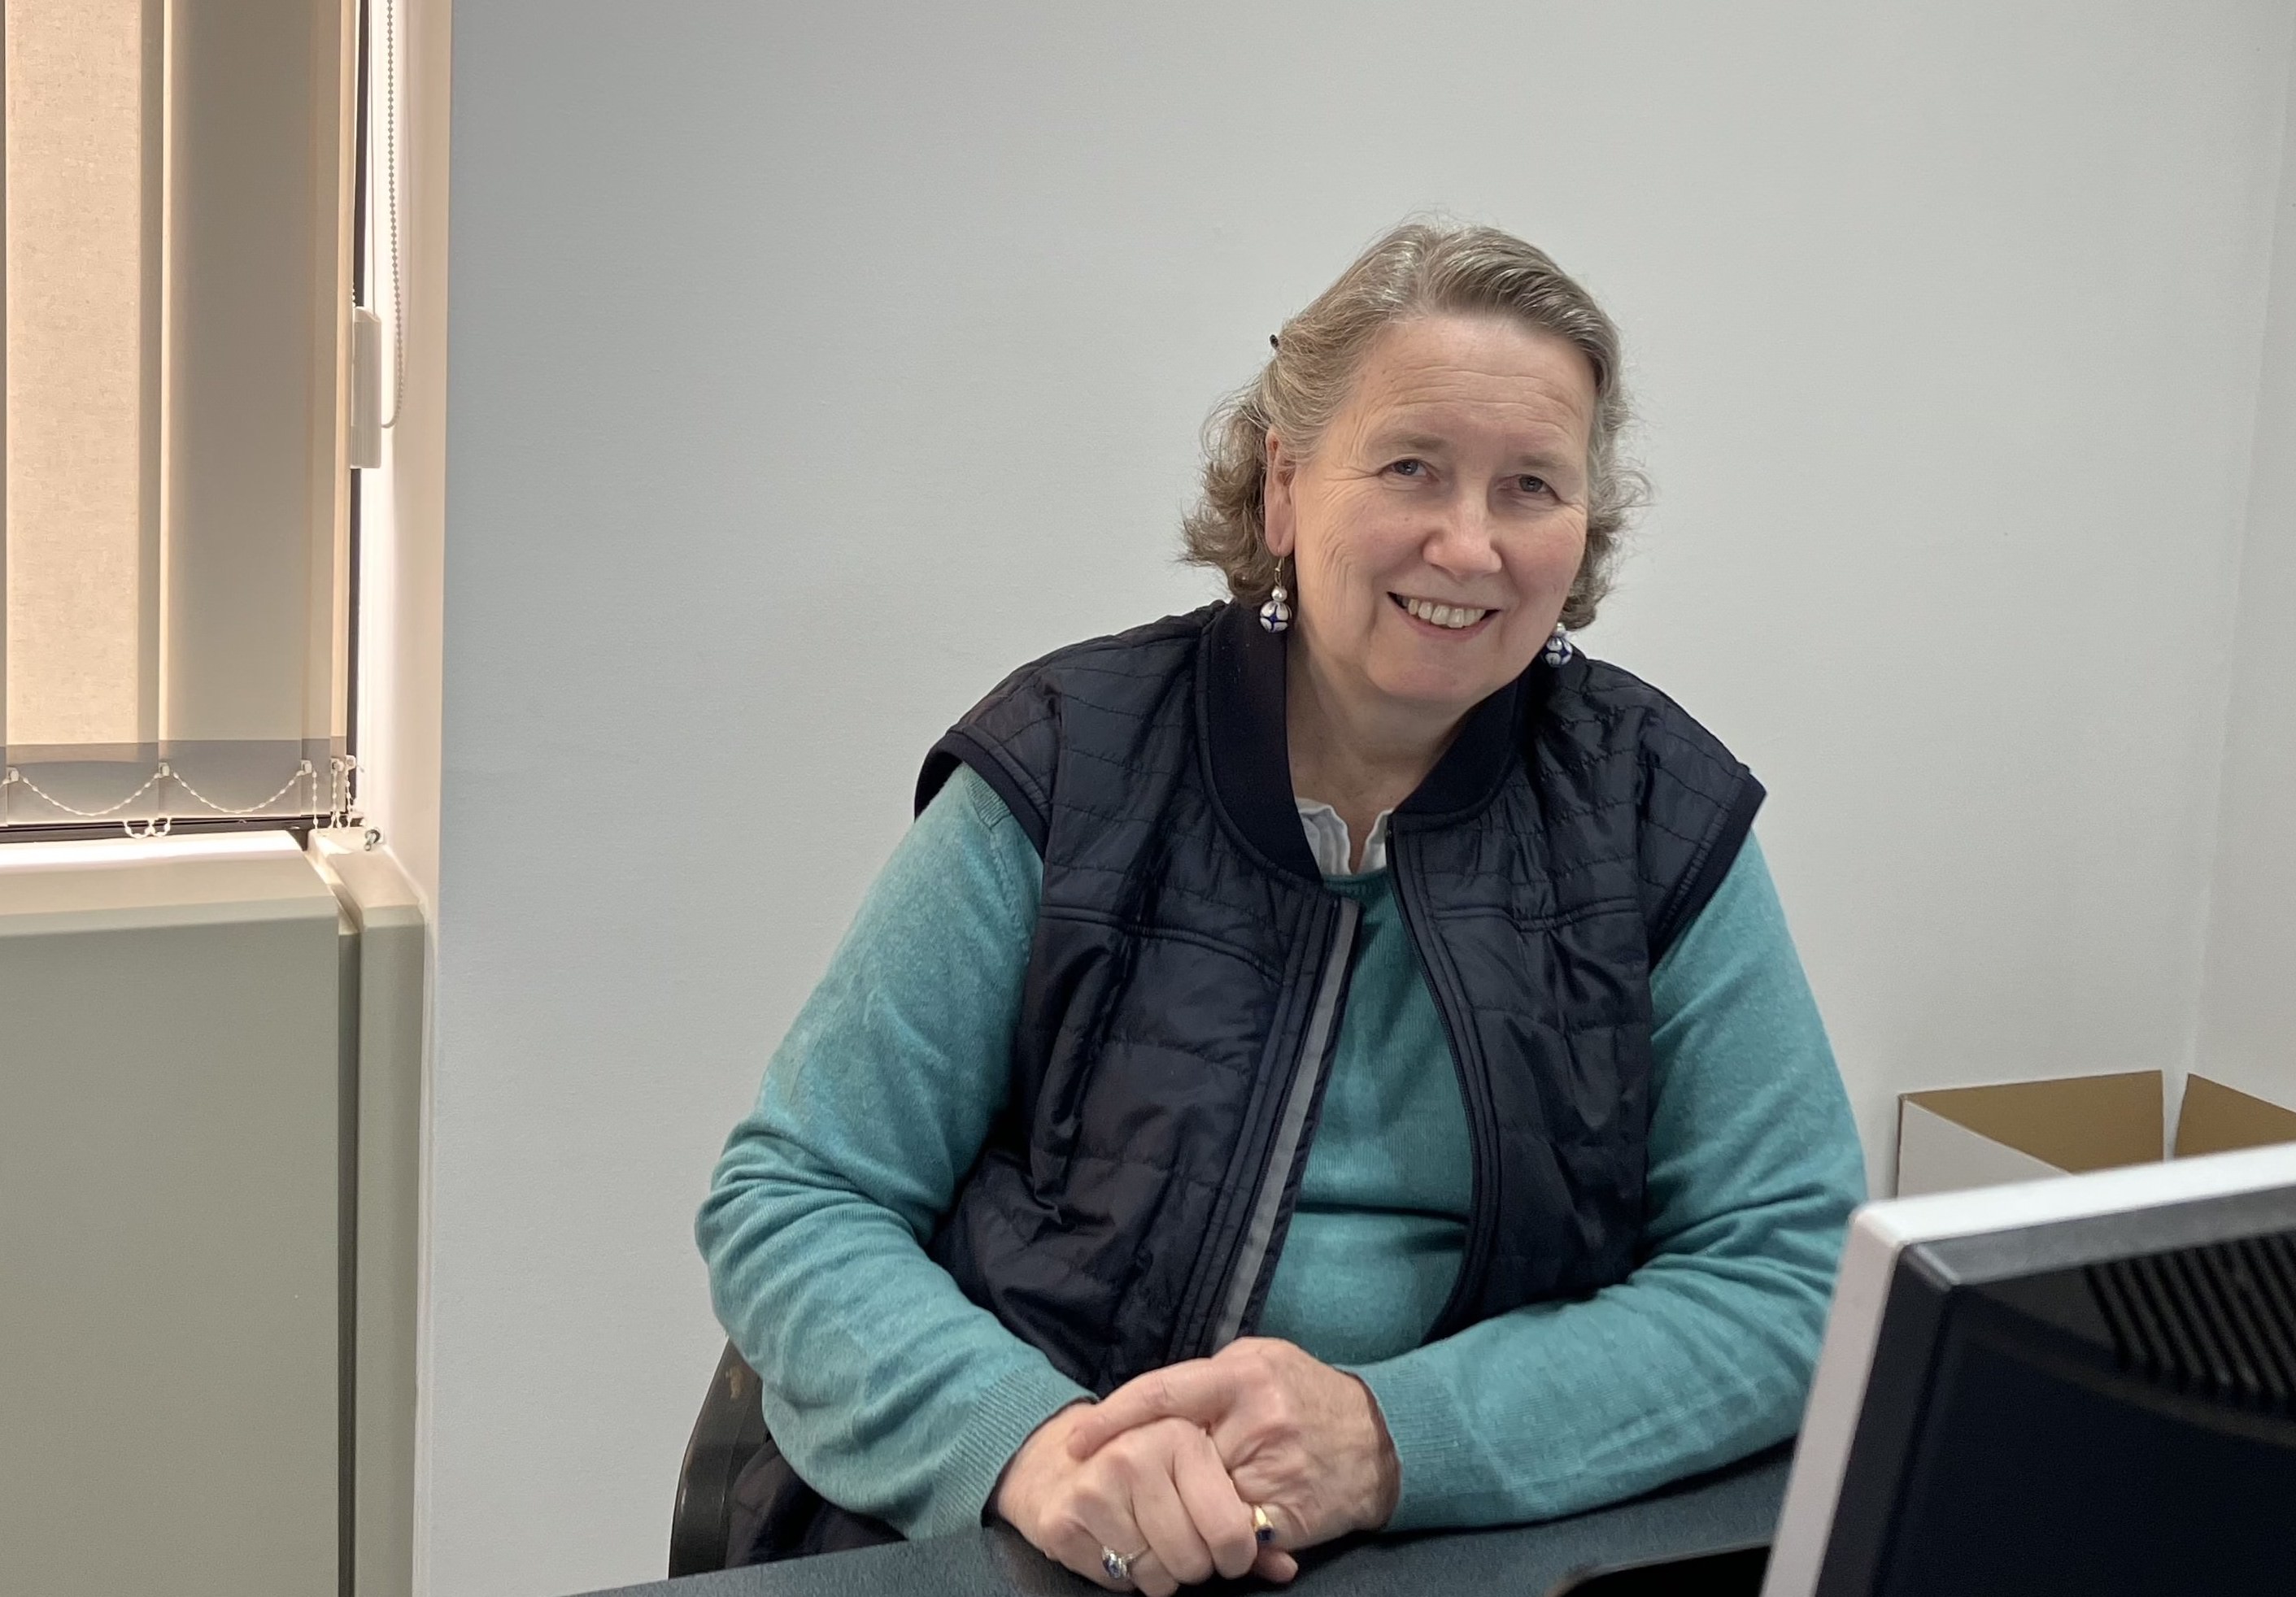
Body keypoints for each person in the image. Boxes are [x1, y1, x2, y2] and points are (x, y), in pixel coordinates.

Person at [696, 221, 1865, 1593]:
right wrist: (1036, 1450)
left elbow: (1793, 1273)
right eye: (1410, 466)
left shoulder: (1652, 811)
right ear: (1282, 487)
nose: (1468, 543)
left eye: (1530, 486)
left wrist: (1390, 1439)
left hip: (1475, 1551)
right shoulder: (1068, 763)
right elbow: (798, 1198)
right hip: (1050, 1545)